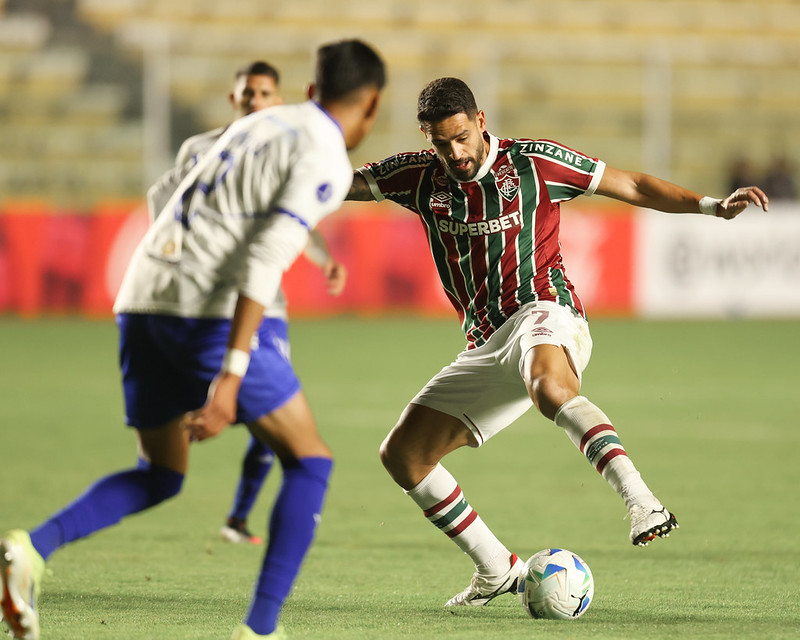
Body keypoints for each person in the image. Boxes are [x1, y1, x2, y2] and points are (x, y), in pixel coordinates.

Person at [0, 38, 385, 640]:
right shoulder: (326, 156)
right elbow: (264, 256)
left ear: (310, 90)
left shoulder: (256, 125)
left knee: (161, 472)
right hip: (201, 309)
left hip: (140, 294)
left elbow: (173, 196)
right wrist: (229, 378)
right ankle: (259, 631)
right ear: (373, 104)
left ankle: (30, 549)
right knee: (310, 460)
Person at [347, 77, 768, 608]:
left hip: (544, 311)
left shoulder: (534, 163)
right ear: (427, 137)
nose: (454, 153)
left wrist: (711, 205)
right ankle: (496, 568)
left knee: (548, 387)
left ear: (480, 122)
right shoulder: (417, 175)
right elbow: (340, 185)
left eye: (460, 137)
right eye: (440, 142)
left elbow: (632, 186)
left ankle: (641, 501)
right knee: (404, 456)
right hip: (485, 342)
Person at [176, 60, 348, 546]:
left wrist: (323, 258)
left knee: (271, 423)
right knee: (217, 412)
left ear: (277, 100)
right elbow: (170, 209)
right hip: (209, 305)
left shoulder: (284, 153)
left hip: (267, 307)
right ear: (234, 99)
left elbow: (293, 218)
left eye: (265, 93)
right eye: (247, 93)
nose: (255, 100)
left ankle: (237, 519)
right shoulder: (199, 151)